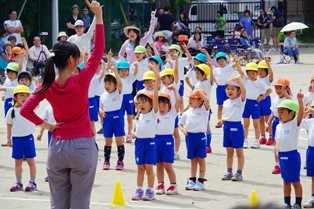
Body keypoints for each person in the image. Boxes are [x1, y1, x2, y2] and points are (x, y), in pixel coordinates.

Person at [20, 1, 103, 208]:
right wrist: (98, 16)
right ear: (74, 60)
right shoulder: (81, 79)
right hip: (82, 146)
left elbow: (25, 110)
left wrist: (47, 126)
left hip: (57, 147)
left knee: (58, 203)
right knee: (80, 202)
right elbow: (98, 50)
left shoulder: (47, 85)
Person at [5, 85, 37, 192]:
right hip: (17, 139)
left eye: (27, 95)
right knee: (18, 162)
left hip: (28, 139)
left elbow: (37, 97)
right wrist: (8, 138)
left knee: (30, 161)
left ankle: (32, 182)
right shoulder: (12, 111)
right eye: (21, 95)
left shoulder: (31, 108)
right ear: (15, 97)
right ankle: (19, 182)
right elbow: (9, 125)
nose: (24, 98)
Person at [131, 81, 158, 201]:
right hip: (139, 144)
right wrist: (132, 132)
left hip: (150, 143)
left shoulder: (153, 114)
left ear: (151, 103)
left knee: (149, 168)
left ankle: (150, 190)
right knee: (140, 168)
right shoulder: (138, 116)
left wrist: (156, 87)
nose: (141, 105)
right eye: (139, 102)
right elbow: (134, 129)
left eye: (144, 102)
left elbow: (156, 100)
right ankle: (139, 189)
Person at [276, 95, 304, 209]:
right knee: (286, 181)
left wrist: (300, 102)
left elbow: (301, 114)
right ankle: (286, 202)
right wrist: (276, 158)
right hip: (282, 156)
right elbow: (277, 143)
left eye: (282, 112)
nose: (280, 114)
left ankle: (297, 203)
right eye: (279, 112)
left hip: (292, 155)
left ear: (291, 113)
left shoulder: (294, 124)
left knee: (295, 181)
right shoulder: (278, 126)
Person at [179, 88, 209, 191]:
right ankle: (192, 179)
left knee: (201, 159)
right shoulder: (187, 112)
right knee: (193, 159)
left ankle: (200, 181)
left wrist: (199, 92)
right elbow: (180, 124)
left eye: (193, 99)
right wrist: (183, 130)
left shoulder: (204, 110)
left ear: (200, 100)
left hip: (200, 136)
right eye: (190, 98)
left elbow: (207, 100)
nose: (190, 101)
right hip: (190, 137)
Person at [238, 63, 272, 149]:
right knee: (245, 124)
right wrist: (237, 63)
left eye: (253, 73)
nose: (251, 76)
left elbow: (269, 90)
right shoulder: (245, 80)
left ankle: (257, 140)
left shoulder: (259, 82)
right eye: (249, 73)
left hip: (255, 104)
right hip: (246, 103)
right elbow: (240, 72)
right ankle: (245, 140)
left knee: (256, 124)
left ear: (256, 73)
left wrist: (262, 97)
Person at [100, 65, 125, 170]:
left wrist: (115, 71)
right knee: (108, 141)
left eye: (110, 83)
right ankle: (106, 161)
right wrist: (100, 111)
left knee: (119, 140)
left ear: (115, 85)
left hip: (117, 116)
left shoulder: (118, 93)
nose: (107, 85)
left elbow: (120, 84)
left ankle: (120, 161)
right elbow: (100, 107)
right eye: (105, 83)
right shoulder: (102, 95)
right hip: (107, 118)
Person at [221, 75, 246, 182]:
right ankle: (229, 171)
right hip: (227, 126)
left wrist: (238, 80)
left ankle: (239, 173)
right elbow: (225, 113)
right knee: (229, 151)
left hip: (237, 127)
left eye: (233, 89)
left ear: (238, 91)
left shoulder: (240, 100)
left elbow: (244, 90)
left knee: (239, 152)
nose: (230, 91)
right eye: (228, 89)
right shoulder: (226, 102)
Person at [155, 90, 180, 195]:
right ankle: (160, 184)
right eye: (159, 106)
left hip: (168, 141)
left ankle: (173, 185)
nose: (161, 109)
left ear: (169, 106)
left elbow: (178, 102)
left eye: (164, 106)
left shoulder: (172, 113)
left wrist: (175, 91)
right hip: (156, 140)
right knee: (159, 164)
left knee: (167, 165)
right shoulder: (155, 114)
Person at [266, 78, 292, 175]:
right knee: (276, 145)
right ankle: (277, 164)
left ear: (286, 88)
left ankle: (286, 163)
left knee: (287, 143)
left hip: (286, 122)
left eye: (280, 88)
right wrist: (268, 122)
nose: (277, 91)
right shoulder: (275, 99)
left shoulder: (288, 99)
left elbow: (291, 102)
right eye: (276, 88)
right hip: (277, 122)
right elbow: (273, 112)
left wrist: (285, 92)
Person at [212, 52, 237, 129]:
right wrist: (216, 82)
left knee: (229, 104)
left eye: (222, 61)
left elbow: (235, 65)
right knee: (220, 105)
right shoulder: (216, 70)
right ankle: (219, 121)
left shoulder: (228, 67)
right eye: (219, 61)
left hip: (228, 88)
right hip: (219, 88)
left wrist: (237, 60)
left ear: (225, 60)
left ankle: (228, 119)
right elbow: (211, 76)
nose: (221, 63)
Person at [193, 63, 214, 153]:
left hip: (205, 106)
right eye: (196, 73)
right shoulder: (197, 84)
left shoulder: (208, 82)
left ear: (204, 74)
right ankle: (200, 144)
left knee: (207, 126)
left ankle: (208, 146)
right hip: (196, 106)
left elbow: (212, 79)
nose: (196, 75)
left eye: (198, 73)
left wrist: (210, 68)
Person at [117, 60, 138, 143]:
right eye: (122, 70)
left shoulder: (130, 77)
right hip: (120, 98)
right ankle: (121, 134)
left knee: (130, 117)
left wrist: (137, 67)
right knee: (121, 117)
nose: (124, 72)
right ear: (118, 71)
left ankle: (129, 134)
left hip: (129, 98)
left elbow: (135, 74)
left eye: (126, 70)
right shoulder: (117, 79)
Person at [257, 59, 274, 145]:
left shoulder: (267, 79)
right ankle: (262, 136)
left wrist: (268, 64)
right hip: (257, 99)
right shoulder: (256, 78)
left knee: (268, 119)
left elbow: (271, 75)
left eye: (263, 70)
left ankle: (271, 136)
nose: (260, 72)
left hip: (265, 99)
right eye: (259, 70)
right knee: (260, 119)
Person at [301, 103, 314, 208]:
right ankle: (313, 197)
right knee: (313, 176)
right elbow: (299, 122)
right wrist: (304, 113)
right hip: (311, 150)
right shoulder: (310, 122)